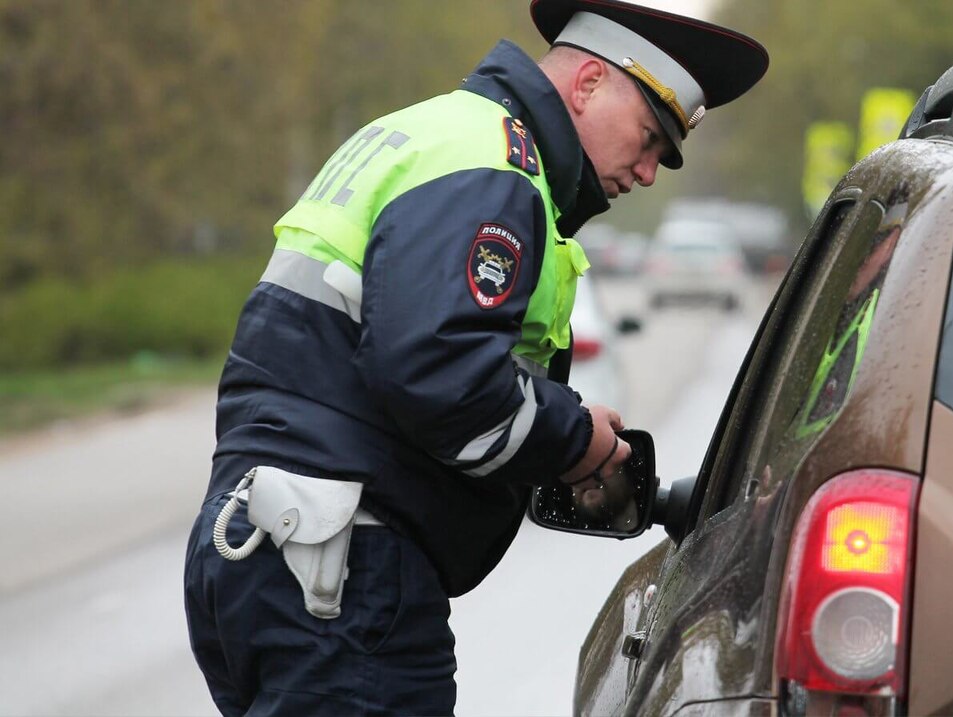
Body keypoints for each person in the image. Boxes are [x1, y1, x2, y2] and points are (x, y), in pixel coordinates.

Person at [183, 0, 768, 714]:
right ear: (586, 85)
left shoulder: (423, 132)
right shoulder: (494, 165)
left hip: (266, 547)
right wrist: (577, 438)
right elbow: (440, 373)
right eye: (649, 138)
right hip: (343, 572)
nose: (648, 172)